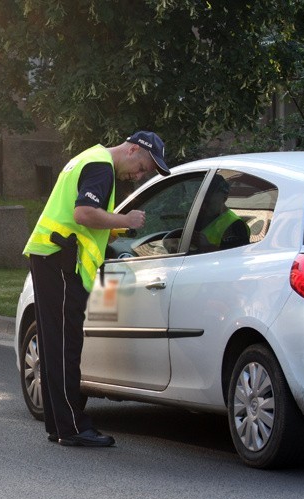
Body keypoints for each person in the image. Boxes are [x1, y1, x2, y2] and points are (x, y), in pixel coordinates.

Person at [23, 131, 170, 447]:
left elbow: (81, 215)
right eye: (143, 166)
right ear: (132, 150)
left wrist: (111, 228)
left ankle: (59, 425)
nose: (140, 175)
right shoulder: (102, 166)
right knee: (65, 343)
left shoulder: (90, 157)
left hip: (52, 255)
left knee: (56, 344)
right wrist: (126, 218)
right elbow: (82, 213)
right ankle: (72, 428)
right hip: (62, 258)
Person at [192, 174, 250, 252]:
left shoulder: (236, 225)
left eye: (208, 202)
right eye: (201, 201)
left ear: (224, 198)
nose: (203, 206)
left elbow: (235, 258)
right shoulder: (197, 217)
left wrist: (206, 246)